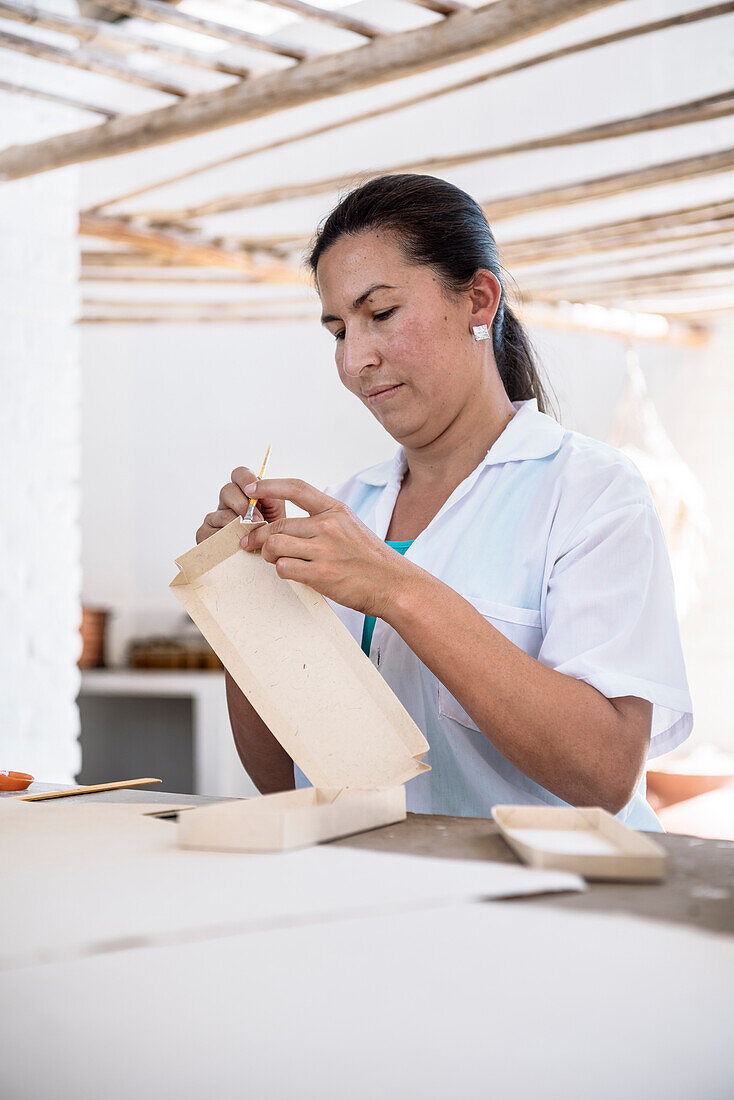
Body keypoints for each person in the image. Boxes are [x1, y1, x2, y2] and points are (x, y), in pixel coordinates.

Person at [197, 174, 692, 829]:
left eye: (381, 314)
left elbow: (603, 773)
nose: (354, 359)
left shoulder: (590, 492)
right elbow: (285, 777)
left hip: (555, 910)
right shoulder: (352, 506)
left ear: (479, 301)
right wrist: (248, 599)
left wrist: (395, 588)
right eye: (337, 329)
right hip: (386, 899)